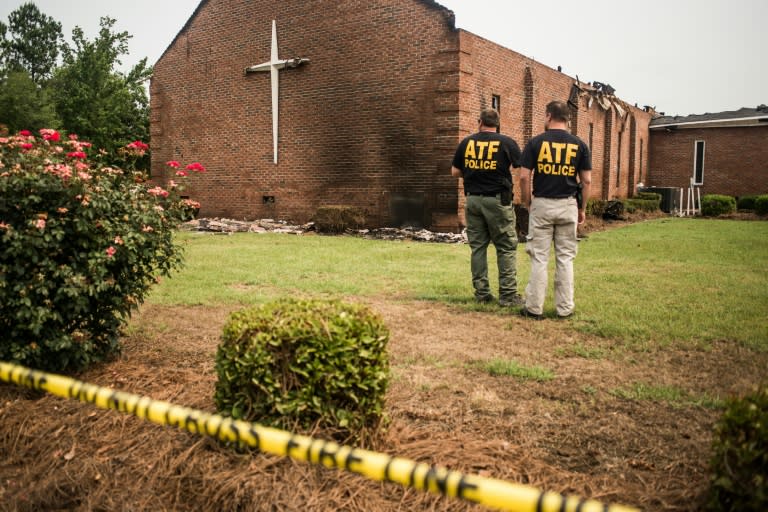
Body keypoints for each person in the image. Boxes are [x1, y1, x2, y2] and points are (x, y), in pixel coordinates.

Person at [518, 100, 592, 319]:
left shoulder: (535, 143)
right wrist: (582, 208)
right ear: (567, 119)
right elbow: (586, 181)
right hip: (568, 203)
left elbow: (523, 176)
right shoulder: (579, 144)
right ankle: (564, 308)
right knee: (565, 258)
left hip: (541, 202)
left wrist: (527, 202)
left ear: (549, 116)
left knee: (539, 257)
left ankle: (533, 308)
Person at [451, 108, 523, 307]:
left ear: (479, 121)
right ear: (497, 124)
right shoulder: (507, 142)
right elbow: (521, 167)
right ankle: (508, 296)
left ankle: (482, 294)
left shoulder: (466, 143)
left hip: (473, 200)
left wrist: (475, 172)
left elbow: (455, 171)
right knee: (506, 247)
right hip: (498, 200)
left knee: (478, 247)